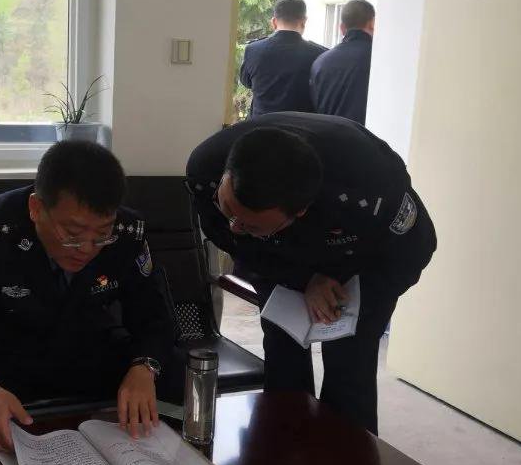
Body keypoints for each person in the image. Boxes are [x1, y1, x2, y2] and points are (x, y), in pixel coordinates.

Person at [185, 113, 436, 435]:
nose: (234, 225)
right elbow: (230, 240)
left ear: (299, 211)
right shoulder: (205, 170)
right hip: (273, 257)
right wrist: (303, 280)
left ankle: (347, 454)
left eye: (250, 224)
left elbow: (412, 254)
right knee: (283, 347)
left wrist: (352, 301)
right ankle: (282, 445)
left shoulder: (371, 189)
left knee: (349, 358)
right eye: (228, 209)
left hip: (359, 260)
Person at [0, 140, 181, 451]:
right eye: (72, 234)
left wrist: (144, 368)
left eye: (102, 235)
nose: (87, 249)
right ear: (36, 208)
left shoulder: (128, 232)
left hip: (85, 350)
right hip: (5, 358)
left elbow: (156, 320)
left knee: (172, 371)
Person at [239, 0, 327, 117]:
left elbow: (246, 82)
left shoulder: (253, 50)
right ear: (304, 21)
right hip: (301, 126)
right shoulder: (320, 54)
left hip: (261, 125)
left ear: (274, 22)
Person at [310, 0, 375, 125]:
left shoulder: (321, 61)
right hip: (366, 135)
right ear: (372, 23)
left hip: (327, 134)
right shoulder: (378, 59)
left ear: (342, 28)